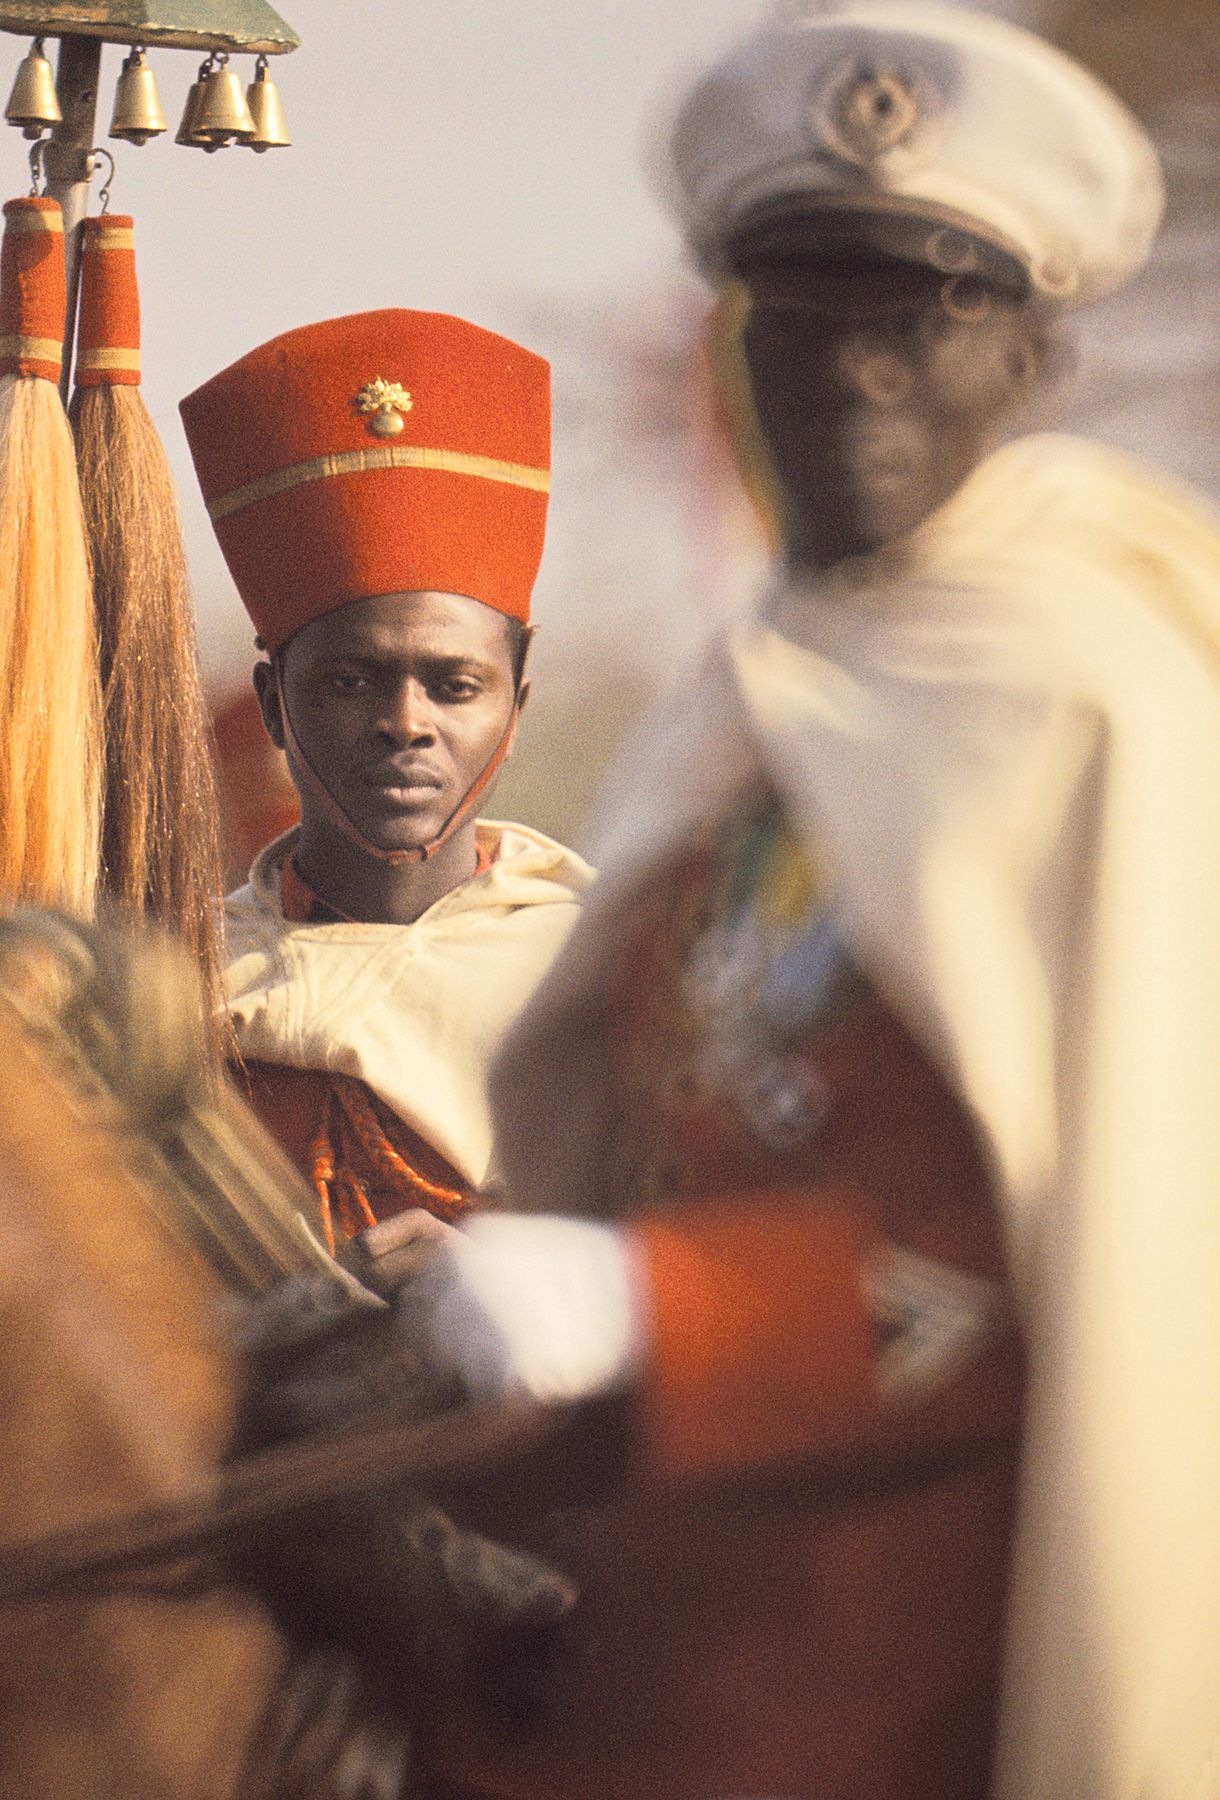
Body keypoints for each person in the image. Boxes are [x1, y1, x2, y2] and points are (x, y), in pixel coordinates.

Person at [370, 10, 1220, 1800]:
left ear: (1032, 362)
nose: (855, 373)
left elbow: (1101, 1274)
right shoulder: (743, 702)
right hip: (641, 1638)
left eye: (920, 315)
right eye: (802, 317)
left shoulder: (1103, 707)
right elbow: (655, 1130)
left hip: (926, 1687)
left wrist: (654, 1308)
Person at [179, 310, 592, 1252]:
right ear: (275, 706)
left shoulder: (603, 990)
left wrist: (498, 1279)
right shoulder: (171, 992)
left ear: (515, 710)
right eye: (348, 681)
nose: (406, 723)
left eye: (455, 686)